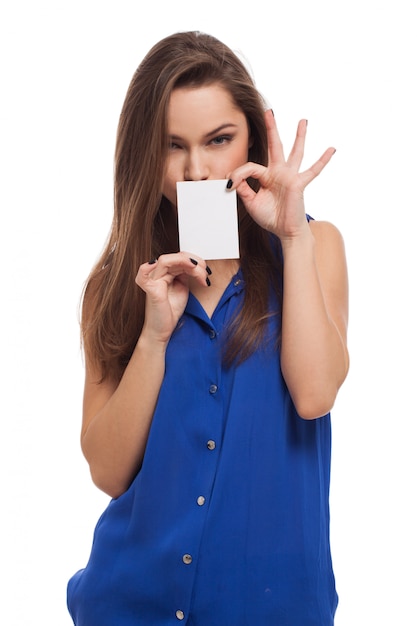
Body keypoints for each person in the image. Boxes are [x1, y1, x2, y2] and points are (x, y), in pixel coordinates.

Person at [67, 30, 349, 626]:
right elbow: (108, 471)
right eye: (173, 146)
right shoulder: (119, 284)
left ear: (251, 136)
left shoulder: (314, 246)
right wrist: (153, 337)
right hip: (129, 605)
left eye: (219, 141)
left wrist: (291, 234)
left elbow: (315, 393)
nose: (196, 170)